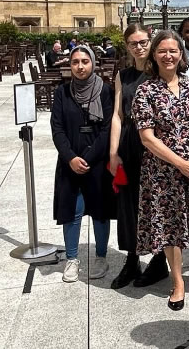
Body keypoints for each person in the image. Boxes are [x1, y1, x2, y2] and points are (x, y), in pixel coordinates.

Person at [132, 30, 189, 310]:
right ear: (153, 55)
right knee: (171, 228)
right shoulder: (146, 90)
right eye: (162, 51)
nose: (168, 56)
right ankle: (177, 281)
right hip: (163, 172)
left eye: (173, 51)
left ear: (181, 54)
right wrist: (180, 162)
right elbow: (147, 137)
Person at [108, 23, 169, 290]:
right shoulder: (123, 75)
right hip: (130, 141)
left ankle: (158, 261)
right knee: (129, 204)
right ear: (127, 46)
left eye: (143, 42)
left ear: (150, 42)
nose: (139, 47)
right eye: (133, 43)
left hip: (155, 141)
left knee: (155, 202)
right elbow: (117, 115)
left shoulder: (161, 73)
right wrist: (113, 152)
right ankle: (132, 259)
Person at [51, 45, 113, 283]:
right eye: (75, 61)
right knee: (72, 212)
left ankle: (101, 256)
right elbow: (57, 128)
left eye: (85, 61)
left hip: (96, 163)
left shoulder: (105, 92)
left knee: (99, 212)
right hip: (70, 162)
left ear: (93, 63)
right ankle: (72, 259)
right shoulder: (62, 93)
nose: (80, 66)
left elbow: (108, 129)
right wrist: (70, 157)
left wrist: (87, 158)